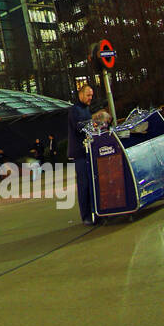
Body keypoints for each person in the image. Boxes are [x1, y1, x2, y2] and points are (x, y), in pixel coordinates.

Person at [68, 83, 105, 224]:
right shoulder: (74, 110)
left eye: (92, 95)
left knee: (92, 182)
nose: (90, 98)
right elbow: (80, 127)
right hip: (80, 154)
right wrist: (95, 120)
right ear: (81, 94)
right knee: (84, 184)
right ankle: (86, 216)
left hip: (89, 152)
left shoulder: (86, 110)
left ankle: (95, 211)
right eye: (88, 95)